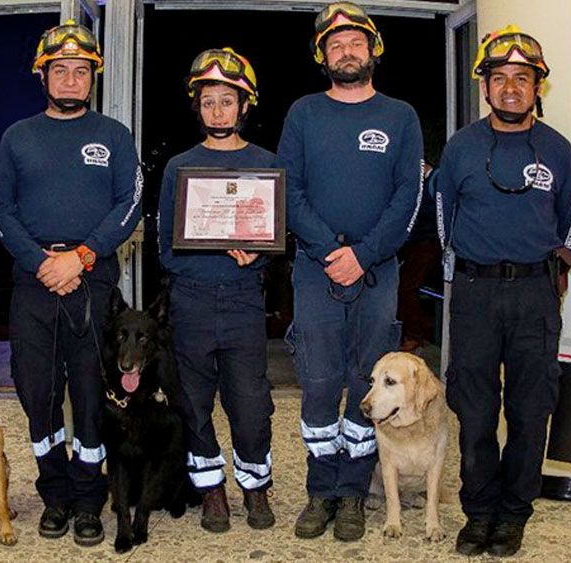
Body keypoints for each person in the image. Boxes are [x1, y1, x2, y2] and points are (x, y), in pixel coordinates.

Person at [0, 20, 141, 547]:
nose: (71, 79)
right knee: (38, 394)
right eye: (61, 70)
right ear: (43, 76)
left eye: (81, 71)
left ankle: (88, 498)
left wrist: (81, 256)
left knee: (91, 395)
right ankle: (54, 494)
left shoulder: (113, 137)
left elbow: (130, 203)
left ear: (92, 78)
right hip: (34, 285)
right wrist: (40, 261)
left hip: (92, 283)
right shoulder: (17, 137)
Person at [277, 1, 424, 542]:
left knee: (370, 387)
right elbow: (288, 189)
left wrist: (363, 254)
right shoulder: (304, 113)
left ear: (372, 50)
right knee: (317, 386)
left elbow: (408, 198)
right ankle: (321, 492)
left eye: (354, 42)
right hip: (316, 273)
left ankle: (354, 495)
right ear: (323, 56)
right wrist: (327, 250)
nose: (346, 50)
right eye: (334, 44)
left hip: (376, 273)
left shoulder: (399, 116)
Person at [434, 25, 571, 557]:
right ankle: (479, 511)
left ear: (537, 86)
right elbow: (442, 212)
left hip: (533, 297)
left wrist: (556, 270)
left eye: (523, 78)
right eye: (500, 79)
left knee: (529, 408)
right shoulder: (462, 147)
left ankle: (514, 513)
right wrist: (462, 267)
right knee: (474, 408)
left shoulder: (558, 150)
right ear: (486, 87)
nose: (511, 88)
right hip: (474, 292)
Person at [158, 47, 276, 533]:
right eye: (208, 102)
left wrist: (260, 254)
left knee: (250, 404)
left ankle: (255, 486)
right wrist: (198, 251)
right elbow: (164, 245)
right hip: (190, 300)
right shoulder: (178, 167)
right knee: (192, 402)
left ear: (244, 105)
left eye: (227, 101)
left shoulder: (266, 162)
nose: (218, 111)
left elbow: (275, 234)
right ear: (198, 107)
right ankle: (211, 492)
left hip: (244, 300)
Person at [396, 162, 441, 352]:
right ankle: (410, 333)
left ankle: (414, 335)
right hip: (417, 243)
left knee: (407, 286)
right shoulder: (424, 184)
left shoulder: (435, 181)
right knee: (405, 286)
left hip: (427, 243)